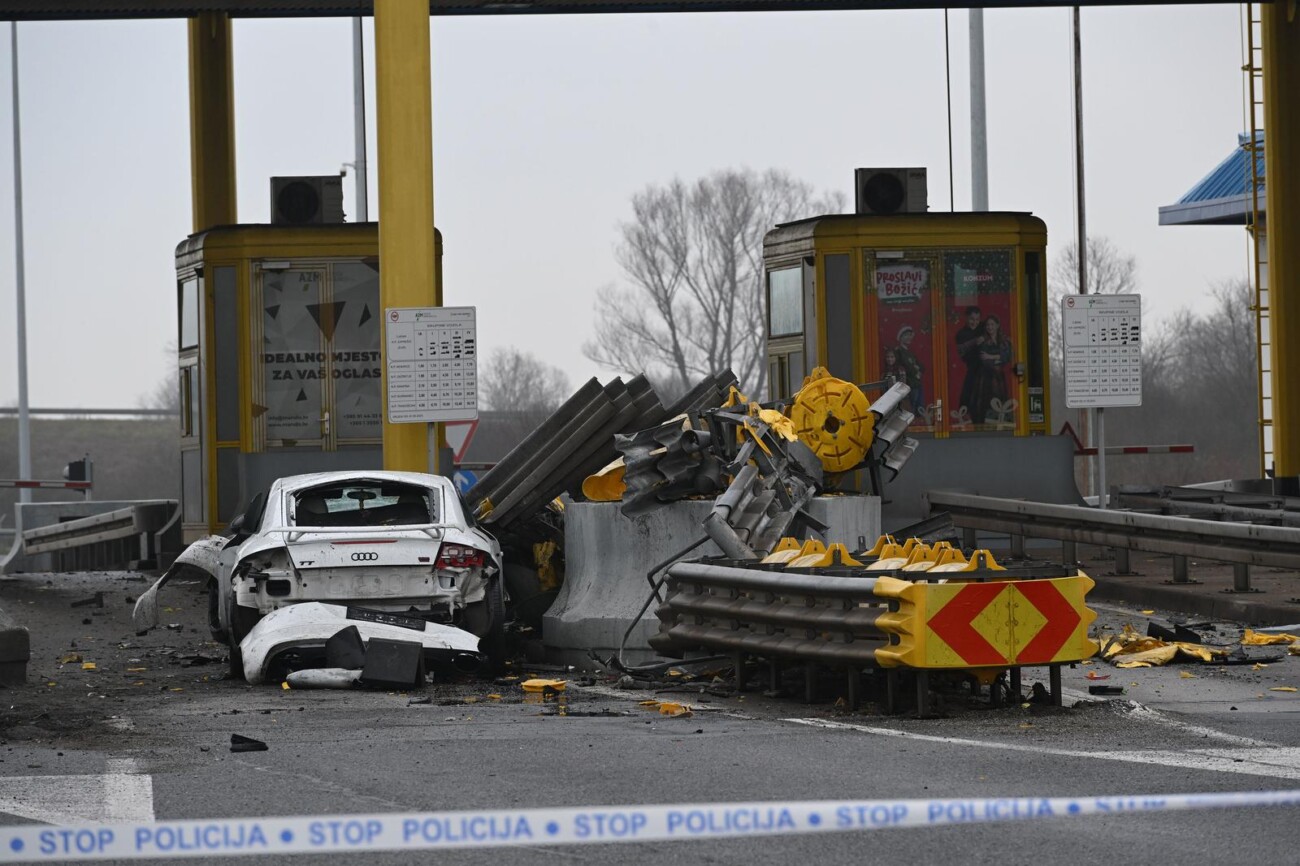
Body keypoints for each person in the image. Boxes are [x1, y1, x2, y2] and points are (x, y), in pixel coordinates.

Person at [968, 314, 1012, 424]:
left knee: (999, 401)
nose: (990, 327)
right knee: (984, 401)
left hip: (998, 377)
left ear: (997, 326)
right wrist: (998, 358)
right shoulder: (982, 341)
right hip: (985, 377)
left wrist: (992, 356)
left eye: (992, 324)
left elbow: (1007, 357)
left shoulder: (1003, 341)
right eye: (988, 325)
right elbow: (984, 359)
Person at [953, 305, 982, 418]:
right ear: (966, 318)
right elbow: (962, 352)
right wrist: (975, 341)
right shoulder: (961, 334)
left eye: (977, 319)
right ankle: (966, 415)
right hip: (972, 368)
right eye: (971, 319)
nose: (974, 322)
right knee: (969, 393)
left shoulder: (983, 328)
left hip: (985, 369)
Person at [893, 325, 925, 416]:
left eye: (910, 335)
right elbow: (906, 367)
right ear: (901, 337)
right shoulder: (899, 351)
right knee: (911, 407)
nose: (909, 337)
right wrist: (916, 371)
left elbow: (921, 366)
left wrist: (918, 370)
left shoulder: (910, 353)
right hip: (909, 384)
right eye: (906, 335)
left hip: (916, 384)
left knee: (919, 407)